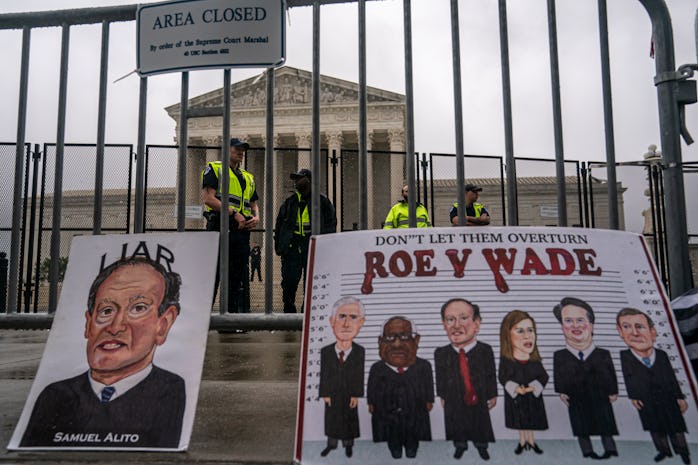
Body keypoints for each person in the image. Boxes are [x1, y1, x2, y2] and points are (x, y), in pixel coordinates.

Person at [21, 256, 185, 448]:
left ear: (163, 324)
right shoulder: (55, 395)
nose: (115, 327)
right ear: (89, 324)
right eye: (106, 310)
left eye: (138, 308)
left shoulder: (172, 391)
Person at [616, 308, 690, 464]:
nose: (634, 333)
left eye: (639, 326)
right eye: (626, 327)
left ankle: (683, 452)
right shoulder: (625, 356)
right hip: (645, 398)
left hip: (668, 397)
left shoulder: (662, 355)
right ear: (620, 332)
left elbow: (672, 377)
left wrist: (679, 396)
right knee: (655, 427)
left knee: (675, 427)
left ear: (653, 331)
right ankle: (663, 451)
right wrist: (633, 396)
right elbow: (628, 377)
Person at [552, 297, 619, 460]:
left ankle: (610, 448)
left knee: (605, 422)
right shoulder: (560, 355)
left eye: (580, 320)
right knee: (581, 425)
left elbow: (611, 373)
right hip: (576, 396)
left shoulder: (603, 354)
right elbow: (558, 375)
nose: (575, 325)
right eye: (568, 320)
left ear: (591, 324)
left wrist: (613, 391)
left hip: (600, 395)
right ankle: (587, 450)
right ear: (562, 326)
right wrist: (561, 391)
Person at [434, 298, 497, 461]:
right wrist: (442, 395)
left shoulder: (485, 350)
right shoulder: (441, 353)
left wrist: (492, 394)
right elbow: (440, 376)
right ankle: (460, 445)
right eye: (450, 319)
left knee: (480, 422)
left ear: (477, 323)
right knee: (456, 422)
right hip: (454, 397)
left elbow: (491, 373)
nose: (456, 325)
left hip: (479, 395)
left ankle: (481, 446)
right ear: (444, 324)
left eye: (463, 318)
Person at [201, 137, 259, 313]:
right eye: (237, 149)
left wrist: (256, 217)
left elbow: (253, 201)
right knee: (214, 274)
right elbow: (208, 198)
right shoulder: (215, 169)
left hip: (241, 232)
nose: (241, 152)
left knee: (236, 278)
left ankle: (230, 320)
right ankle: (204, 318)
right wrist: (235, 214)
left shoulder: (247, 177)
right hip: (220, 226)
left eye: (243, 149)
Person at [367, 316, 433, 459]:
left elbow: (428, 384)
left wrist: (429, 400)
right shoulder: (377, 369)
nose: (397, 344)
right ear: (380, 342)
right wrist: (371, 403)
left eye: (404, 336)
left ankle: (411, 450)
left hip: (414, 412)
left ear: (416, 341)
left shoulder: (423, 366)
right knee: (393, 434)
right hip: (388, 413)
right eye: (390, 337)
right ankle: (395, 451)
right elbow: (372, 387)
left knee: (412, 433)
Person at [274, 168, 336, 313]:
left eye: (299, 178)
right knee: (289, 283)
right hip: (293, 246)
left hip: (313, 246)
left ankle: (307, 313)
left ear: (308, 180)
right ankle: (289, 313)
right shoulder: (290, 202)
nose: (295, 181)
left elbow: (331, 223)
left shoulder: (322, 201)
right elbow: (279, 224)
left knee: (312, 282)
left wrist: (325, 246)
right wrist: (280, 246)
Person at [318, 297, 366, 458]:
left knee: (349, 420)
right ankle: (331, 444)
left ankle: (348, 445)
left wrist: (356, 394)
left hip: (349, 393)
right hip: (332, 393)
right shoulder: (326, 352)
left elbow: (359, 375)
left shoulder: (359, 352)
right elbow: (324, 373)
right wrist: (325, 393)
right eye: (341, 316)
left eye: (353, 317)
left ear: (361, 322)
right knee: (332, 420)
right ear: (332, 321)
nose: (346, 324)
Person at [498, 310, 548, 455]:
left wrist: (533, 387)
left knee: (531, 420)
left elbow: (543, 376)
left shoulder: (534, 360)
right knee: (520, 421)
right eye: (520, 331)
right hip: (516, 398)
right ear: (507, 335)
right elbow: (502, 377)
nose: (527, 335)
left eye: (530, 330)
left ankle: (531, 442)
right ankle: (522, 442)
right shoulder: (506, 360)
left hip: (532, 398)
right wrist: (514, 388)